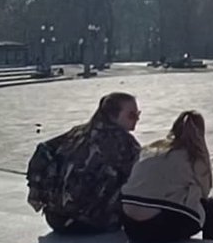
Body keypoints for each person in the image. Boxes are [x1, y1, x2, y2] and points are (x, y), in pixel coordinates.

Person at [25, 92, 142, 234]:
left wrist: (37, 192)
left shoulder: (77, 132)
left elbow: (44, 149)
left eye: (138, 114)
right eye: (132, 115)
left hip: (54, 218)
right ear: (112, 114)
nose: (137, 119)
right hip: (91, 223)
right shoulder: (126, 143)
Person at [121, 110, 213, 243]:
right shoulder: (194, 156)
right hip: (159, 228)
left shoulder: (152, 149)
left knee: (172, 200)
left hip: (131, 225)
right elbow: (205, 192)